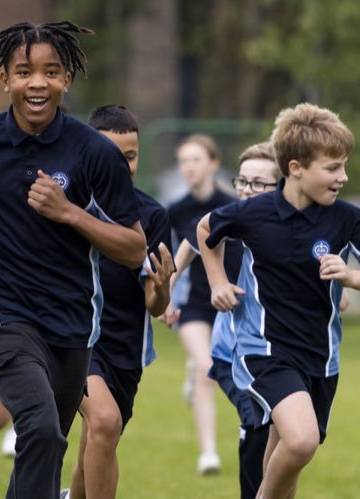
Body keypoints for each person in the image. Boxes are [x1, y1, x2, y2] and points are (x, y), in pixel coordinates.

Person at [0, 21, 148, 498]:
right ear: (4, 79)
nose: (37, 82)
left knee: (46, 446)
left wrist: (69, 213)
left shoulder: (94, 152)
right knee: (40, 430)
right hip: (3, 315)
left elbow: (134, 246)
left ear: (66, 80)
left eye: (50, 71)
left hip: (73, 320)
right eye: (24, 72)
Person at [198, 103, 360, 499]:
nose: (343, 177)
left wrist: (351, 275)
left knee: (287, 456)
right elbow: (208, 229)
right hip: (263, 351)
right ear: (295, 168)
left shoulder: (347, 219)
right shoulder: (254, 213)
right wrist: (218, 283)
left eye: (344, 166)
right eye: (333, 168)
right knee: (302, 440)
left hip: (322, 359)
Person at [63, 104, 176, 499]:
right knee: (105, 422)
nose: (123, 166)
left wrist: (161, 289)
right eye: (112, 156)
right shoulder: (67, 207)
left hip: (125, 351)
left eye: (130, 157)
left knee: (98, 442)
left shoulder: (153, 215)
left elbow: (155, 305)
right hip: (72, 340)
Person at [204, 142, 279, 499]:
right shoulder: (231, 220)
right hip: (231, 353)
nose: (247, 190)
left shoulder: (291, 228)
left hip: (277, 354)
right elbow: (197, 235)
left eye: (258, 183)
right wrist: (216, 282)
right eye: (243, 181)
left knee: (286, 434)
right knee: (259, 422)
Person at [165, 134, 236, 475]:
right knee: (208, 368)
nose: (188, 167)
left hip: (231, 301)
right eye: (183, 161)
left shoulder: (233, 203)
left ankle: (198, 371)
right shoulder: (176, 212)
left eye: (195, 160)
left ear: (213, 163)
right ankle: (208, 453)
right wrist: (165, 294)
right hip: (194, 305)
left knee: (222, 371)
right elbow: (175, 258)